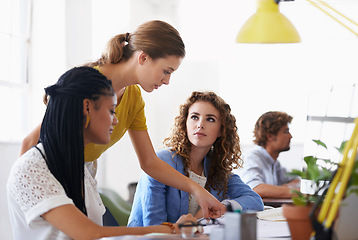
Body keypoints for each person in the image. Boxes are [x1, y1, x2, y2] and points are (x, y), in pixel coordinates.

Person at [18, 20, 225, 218]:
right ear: (143, 58)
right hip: (53, 173)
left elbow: (149, 162)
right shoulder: (86, 83)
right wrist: (23, 201)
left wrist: (197, 190)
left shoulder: (134, 97)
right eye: (166, 71)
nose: (167, 80)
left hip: (85, 175)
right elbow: (31, 142)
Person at [7, 67, 196, 240]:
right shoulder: (32, 168)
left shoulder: (80, 169)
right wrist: (170, 229)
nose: (115, 121)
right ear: (86, 108)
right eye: (111, 111)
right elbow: (91, 233)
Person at [128, 91, 264, 226]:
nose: (200, 124)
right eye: (194, 117)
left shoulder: (217, 168)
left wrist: (223, 207)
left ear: (222, 130)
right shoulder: (161, 162)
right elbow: (154, 227)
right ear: (184, 123)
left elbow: (255, 200)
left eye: (210, 119)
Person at [236, 111, 300, 199]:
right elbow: (255, 188)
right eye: (286, 131)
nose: (290, 136)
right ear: (270, 136)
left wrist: (282, 188)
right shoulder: (251, 158)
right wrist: (297, 193)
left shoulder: (274, 163)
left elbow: (297, 180)